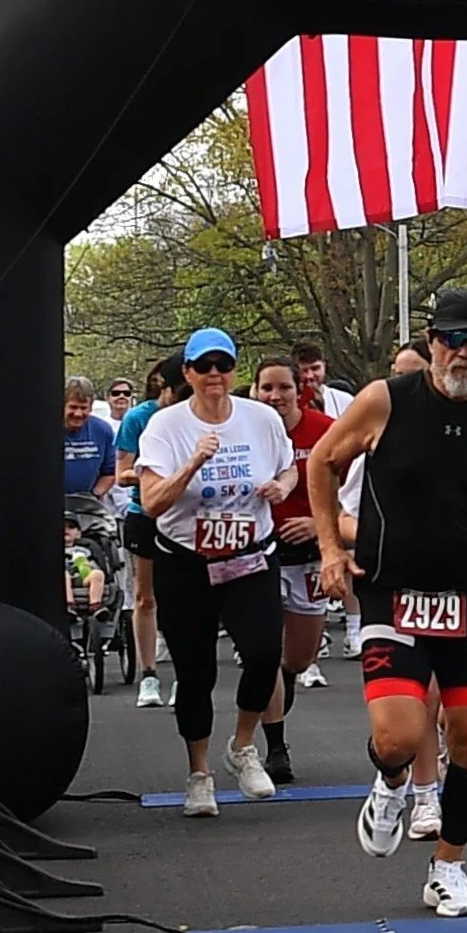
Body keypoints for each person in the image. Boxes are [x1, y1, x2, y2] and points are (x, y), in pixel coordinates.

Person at [306, 289, 467, 919]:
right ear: (431, 342)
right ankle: (392, 780)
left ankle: (447, 866)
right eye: (453, 341)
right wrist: (329, 549)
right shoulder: (386, 400)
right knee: (398, 736)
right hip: (392, 589)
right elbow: (322, 462)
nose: (465, 354)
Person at [134, 328, 296, 817]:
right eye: (203, 366)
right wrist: (192, 463)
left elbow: (289, 467)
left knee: (265, 655)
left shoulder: (260, 418)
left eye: (223, 365)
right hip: (187, 563)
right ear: (187, 373)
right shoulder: (165, 426)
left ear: (234, 370)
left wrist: (283, 487)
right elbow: (151, 503)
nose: (214, 375)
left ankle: (242, 745)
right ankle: (199, 773)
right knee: (195, 673)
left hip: (250, 557)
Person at [252, 353, 336, 783]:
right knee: (266, 651)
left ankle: (282, 682)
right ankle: (275, 747)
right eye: (266, 387)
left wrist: (320, 525)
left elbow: (354, 492)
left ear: (299, 388)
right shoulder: (243, 433)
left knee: (299, 659)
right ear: (254, 391)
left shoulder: (326, 431)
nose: (275, 396)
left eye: (283, 387)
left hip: (309, 558)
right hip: (259, 556)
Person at [121, 357, 188, 710]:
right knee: (145, 597)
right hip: (145, 513)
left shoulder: (195, 416)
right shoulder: (138, 418)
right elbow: (121, 473)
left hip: (185, 514)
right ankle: (148, 674)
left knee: (184, 598)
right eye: (179, 393)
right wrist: (156, 474)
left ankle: (183, 675)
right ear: (164, 387)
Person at [62, 376, 117, 499]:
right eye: (73, 407)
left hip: (85, 502)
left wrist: (94, 495)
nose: (78, 414)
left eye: (83, 408)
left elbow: (110, 473)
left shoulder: (102, 430)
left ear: (91, 407)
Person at [294, 339, 357, 420]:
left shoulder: (345, 400)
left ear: (324, 365)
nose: (310, 376)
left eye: (315, 368)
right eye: (304, 370)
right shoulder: (287, 404)